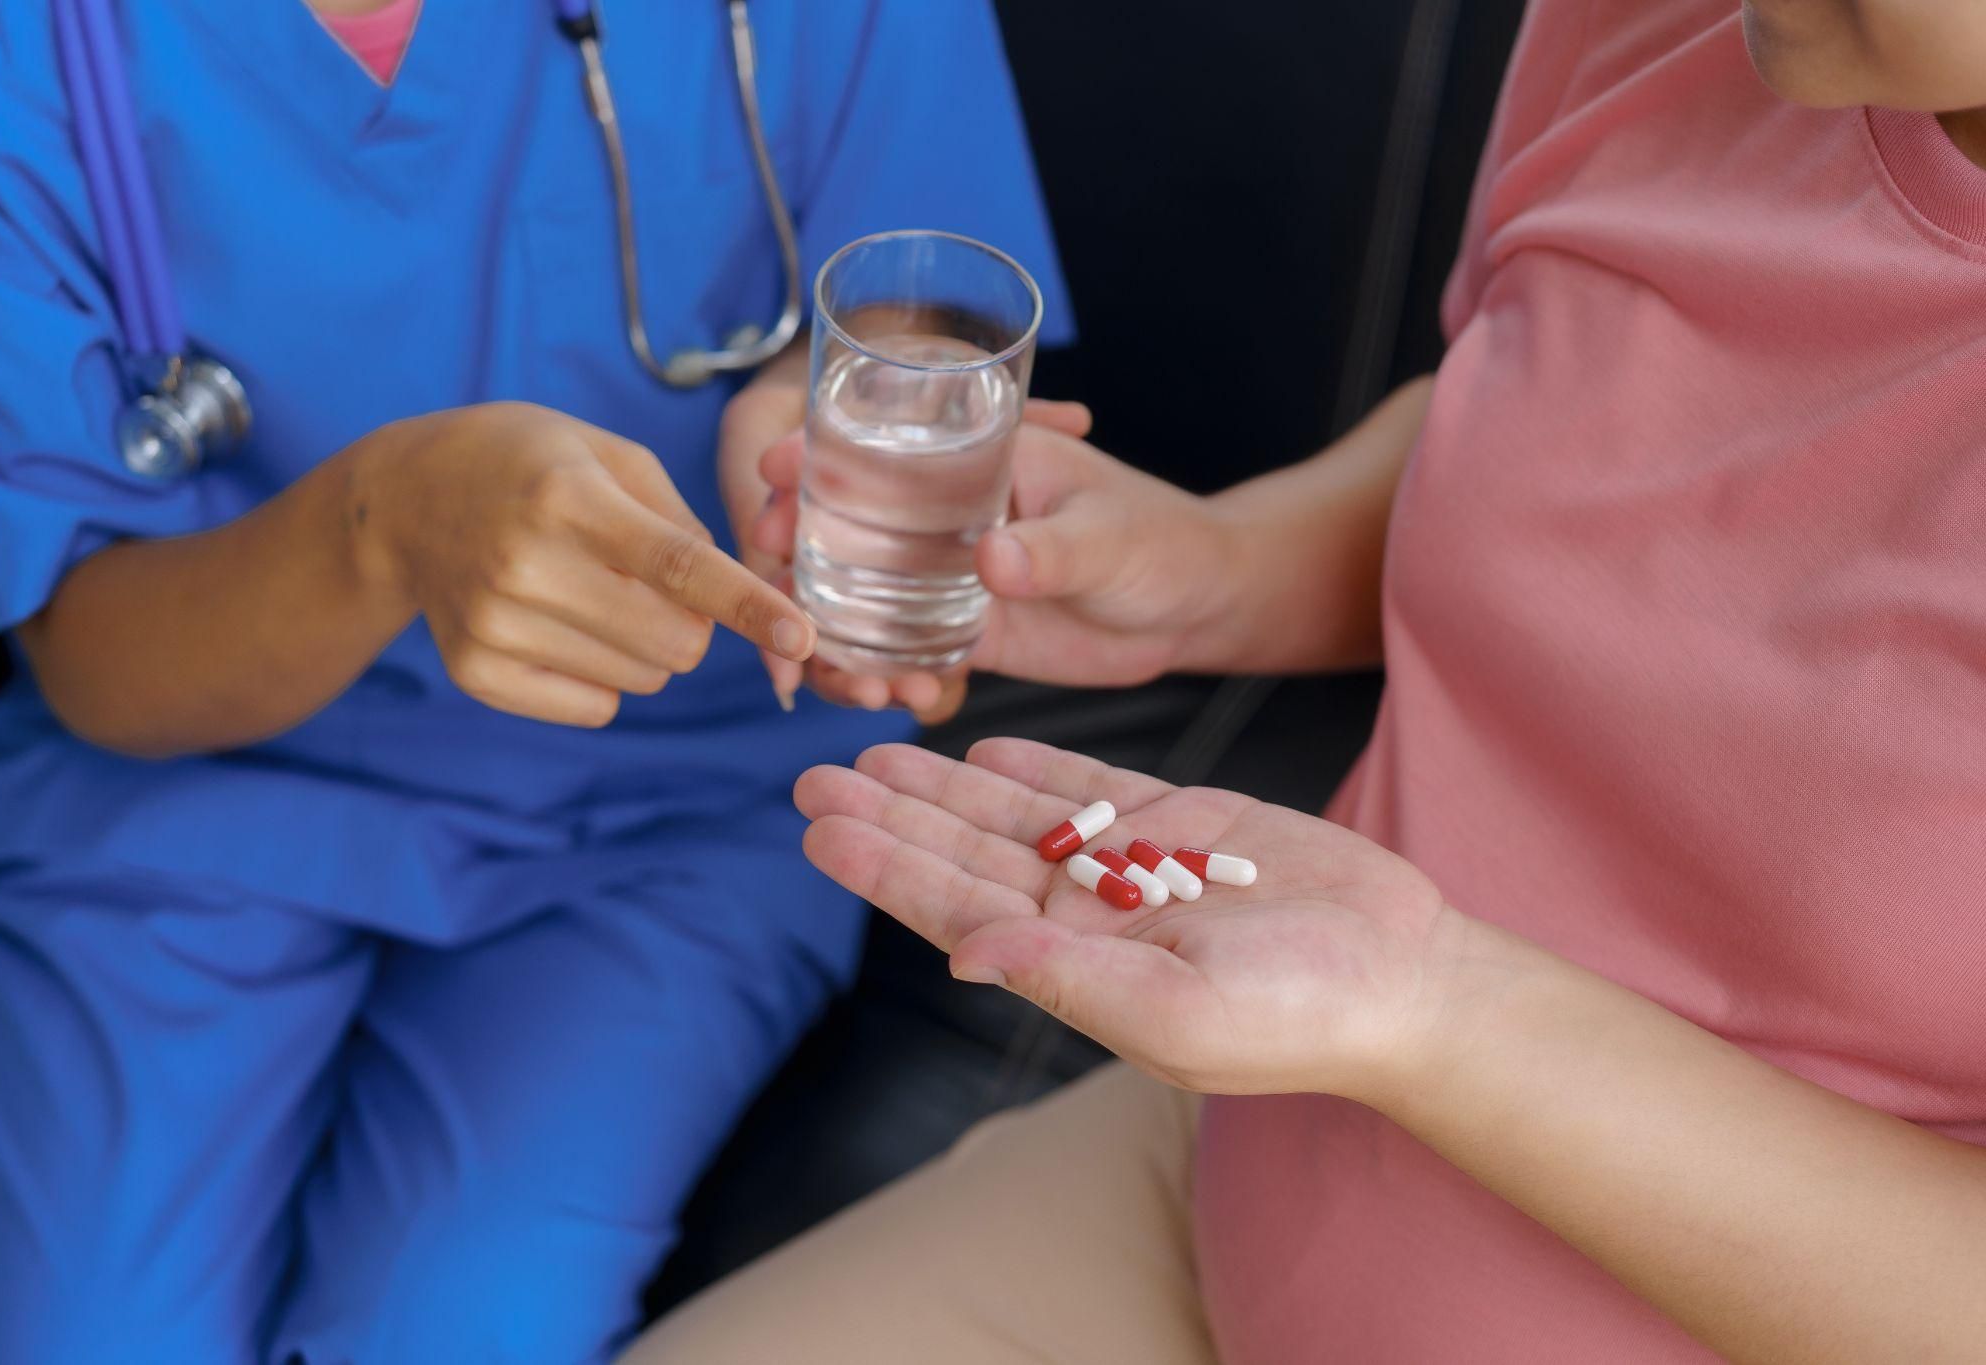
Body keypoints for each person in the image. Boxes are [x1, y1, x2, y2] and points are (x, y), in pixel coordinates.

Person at [625, 0, 1986, 1360]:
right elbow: (1550, 397)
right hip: (1237, 1175)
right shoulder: (1683, 25)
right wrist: (1221, 567)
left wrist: (1439, 1009)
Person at [0, 2, 1071, 1361]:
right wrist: (384, 523)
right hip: (192, 778)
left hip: (670, 792)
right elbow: (97, 664)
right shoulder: (0, 45)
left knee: (458, 1327)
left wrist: (822, 428)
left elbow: (915, 285)